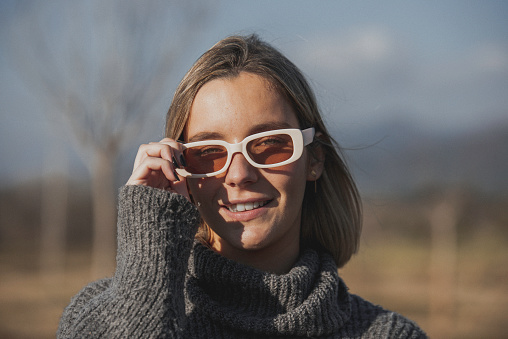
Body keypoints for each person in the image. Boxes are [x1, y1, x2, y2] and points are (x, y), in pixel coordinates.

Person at [57, 34, 427, 338]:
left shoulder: (388, 334)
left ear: (314, 160)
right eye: (208, 153)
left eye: (269, 144)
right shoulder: (96, 319)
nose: (238, 174)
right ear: (179, 169)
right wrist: (148, 247)